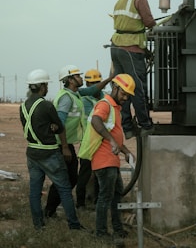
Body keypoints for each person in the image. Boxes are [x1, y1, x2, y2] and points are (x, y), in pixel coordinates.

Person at [19, 69, 83, 230]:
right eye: (46, 85)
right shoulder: (46, 105)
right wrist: (64, 145)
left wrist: (50, 127)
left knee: (35, 191)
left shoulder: (23, 106)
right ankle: (74, 225)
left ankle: (38, 226)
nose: (47, 88)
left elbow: (34, 127)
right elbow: (60, 128)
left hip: (32, 152)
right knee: (64, 188)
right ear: (41, 87)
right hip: (49, 152)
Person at [44, 64, 111, 218]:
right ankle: (50, 211)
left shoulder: (76, 94)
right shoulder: (66, 99)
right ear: (70, 79)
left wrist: (110, 78)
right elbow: (59, 124)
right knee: (66, 179)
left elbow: (93, 90)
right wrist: (65, 147)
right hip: (62, 145)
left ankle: (51, 210)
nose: (81, 78)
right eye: (78, 76)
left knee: (70, 178)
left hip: (67, 144)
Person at [110, 0, 156, 139]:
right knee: (138, 88)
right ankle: (145, 125)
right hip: (130, 49)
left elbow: (128, 24)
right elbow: (149, 22)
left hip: (116, 47)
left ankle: (127, 127)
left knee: (122, 88)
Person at [91, 74, 135, 244]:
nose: (125, 98)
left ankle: (117, 228)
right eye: (123, 94)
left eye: (128, 96)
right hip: (104, 160)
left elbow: (114, 135)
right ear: (115, 88)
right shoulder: (105, 104)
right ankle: (101, 233)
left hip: (112, 160)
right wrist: (110, 141)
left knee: (116, 195)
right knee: (106, 197)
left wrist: (125, 151)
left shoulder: (115, 107)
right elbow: (96, 121)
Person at [76, 69, 112, 210]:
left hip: (101, 143)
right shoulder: (84, 100)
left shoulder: (104, 98)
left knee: (100, 173)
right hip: (88, 142)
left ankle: (98, 201)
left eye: (97, 83)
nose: (95, 86)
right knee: (84, 174)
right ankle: (80, 203)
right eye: (91, 83)